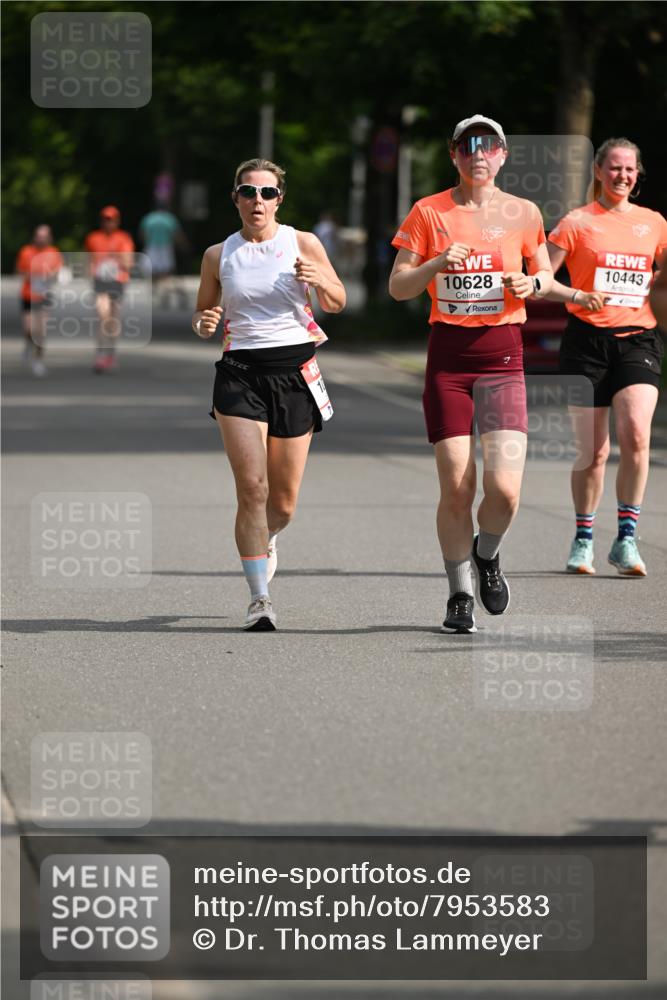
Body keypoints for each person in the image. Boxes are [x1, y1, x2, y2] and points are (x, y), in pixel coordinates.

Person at [389, 114, 553, 634]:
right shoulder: (428, 211)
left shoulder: (524, 212)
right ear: (453, 154)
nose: (478, 153)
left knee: (504, 491)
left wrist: (533, 283)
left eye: (489, 145)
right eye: (467, 145)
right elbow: (399, 287)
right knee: (457, 488)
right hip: (450, 361)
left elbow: (545, 272)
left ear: (503, 155)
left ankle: (487, 554)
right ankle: (459, 593)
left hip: (503, 358)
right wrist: (436, 262)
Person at [192, 157, 346, 631]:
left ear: (280, 199)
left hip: (295, 375)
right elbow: (203, 314)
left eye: (267, 193)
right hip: (239, 374)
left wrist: (320, 281)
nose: (257, 201)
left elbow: (337, 302)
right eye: (247, 191)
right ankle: (260, 598)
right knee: (252, 489)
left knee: (281, 503)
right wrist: (204, 323)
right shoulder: (219, 255)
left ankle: (266, 537)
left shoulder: (302, 243)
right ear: (235, 198)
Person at [547, 138, 667, 576]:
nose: (622, 175)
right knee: (593, 453)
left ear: (637, 175)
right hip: (586, 343)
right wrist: (577, 293)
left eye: (630, 169)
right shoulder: (577, 222)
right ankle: (583, 539)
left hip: (639, 338)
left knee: (636, 433)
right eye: (614, 168)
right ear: (598, 171)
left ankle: (627, 540)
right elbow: (541, 277)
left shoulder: (654, 223)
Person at [84, 206, 135, 373]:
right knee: (102, 315)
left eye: (111, 219)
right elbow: (89, 259)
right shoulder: (93, 238)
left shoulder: (123, 238)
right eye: (105, 219)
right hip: (100, 282)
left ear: (117, 220)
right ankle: (100, 354)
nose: (108, 222)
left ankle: (111, 353)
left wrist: (115, 256)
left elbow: (129, 263)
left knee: (113, 319)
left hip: (117, 281)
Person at [15, 225, 63, 377]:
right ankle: (28, 346)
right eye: (38, 236)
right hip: (28, 296)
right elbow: (19, 270)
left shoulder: (53, 253)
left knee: (41, 331)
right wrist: (30, 275)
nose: (41, 239)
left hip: (44, 297)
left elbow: (57, 272)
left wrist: (49, 276)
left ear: (49, 238)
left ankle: (38, 361)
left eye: (44, 236)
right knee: (28, 329)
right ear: (34, 237)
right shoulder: (26, 251)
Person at [138, 204, 186, 304]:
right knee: (166, 272)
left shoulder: (149, 218)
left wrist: (145, 243)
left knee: (152, 270)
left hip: (151, 246)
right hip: (166, 247)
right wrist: (182, 244)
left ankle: (154, 289)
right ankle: (165, 291)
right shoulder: (169, 219)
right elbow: (176, 234)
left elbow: (143, 234)